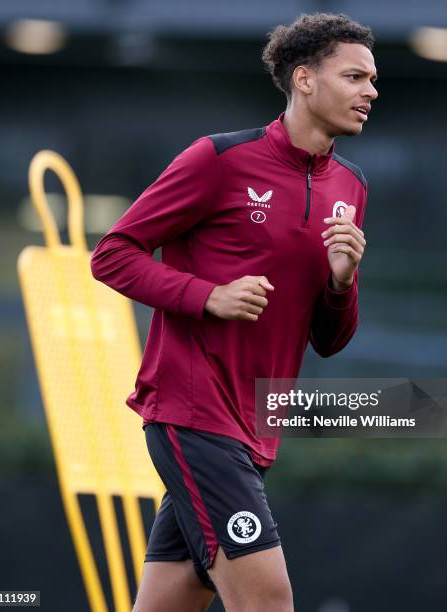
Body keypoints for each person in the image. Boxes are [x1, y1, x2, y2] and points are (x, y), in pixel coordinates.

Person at [90, 11, 377, 612]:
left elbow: (329, 339)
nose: (370, 92)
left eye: (371, 80)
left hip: (254, 428)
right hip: (192, 414)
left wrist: (342, 282)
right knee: (268, 601)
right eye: (354, 77)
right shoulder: (217, 159)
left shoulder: (351, 187)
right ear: (303, 79)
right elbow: (112, 254)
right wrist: (207, 294)